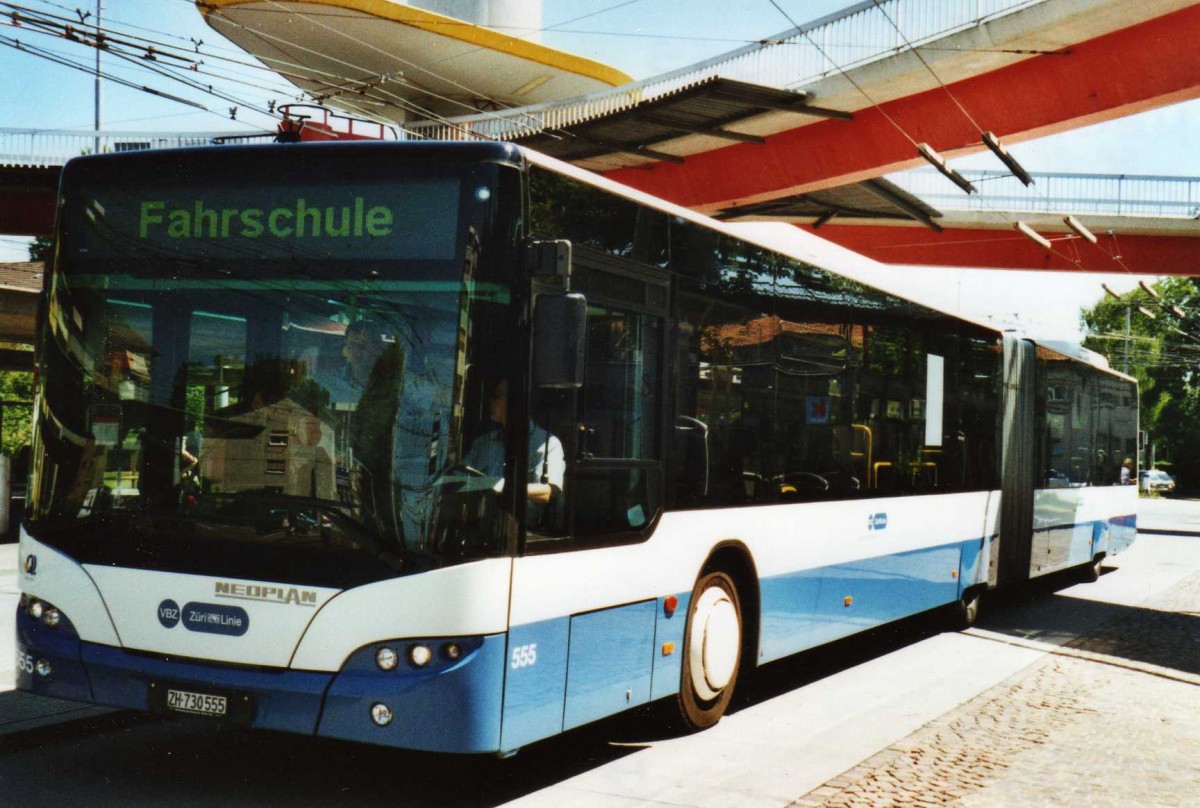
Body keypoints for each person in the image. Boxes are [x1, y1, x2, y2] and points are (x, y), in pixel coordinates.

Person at [463, 378, 565, 525]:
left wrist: (500, 486)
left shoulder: (549, 443)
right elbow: (461, 477)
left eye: (496, 396)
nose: (491, 402)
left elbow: (547, 491)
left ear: (515, 402)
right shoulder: (483, 443)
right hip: (479, 527)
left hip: (523, 533)